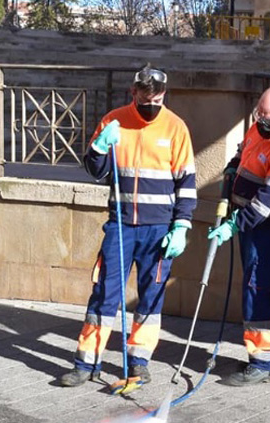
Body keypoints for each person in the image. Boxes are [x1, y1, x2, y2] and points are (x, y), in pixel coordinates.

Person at [59, 65, 197, 387]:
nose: (152, 103)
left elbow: (187, 183)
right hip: (121, 225)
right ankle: (86, 362)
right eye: (146, 97)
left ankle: (139, 362)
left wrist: (182, 225)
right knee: (105, 293)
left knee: (151, 297)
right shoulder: (114, 120)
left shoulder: (176, 128)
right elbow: (95, 170)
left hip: (160, 230)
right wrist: (100, 146)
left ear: (164, 95)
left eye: (158, 97)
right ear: (133, 93)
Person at [208, 87, 270, 386]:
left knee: (257, 286)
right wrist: (230, 170)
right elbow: (243, 153)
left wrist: (233, 225)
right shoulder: (260, 127)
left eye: (269, 117)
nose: (262, 121)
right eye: (259, 114)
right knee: (263, 286)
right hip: (250, 224)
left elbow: (266, 203)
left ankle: (261, 361)